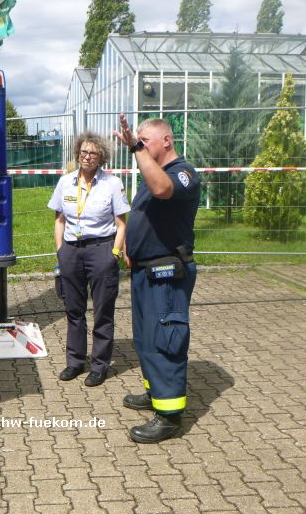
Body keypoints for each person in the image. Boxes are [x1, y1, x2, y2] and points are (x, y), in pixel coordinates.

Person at [114, 115, 200, 443]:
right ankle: (155, 395)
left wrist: (135, 148)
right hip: (144, 271)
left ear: (166, 141)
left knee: (166, 340)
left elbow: (163, 189)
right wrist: (132, 248)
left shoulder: (184, 172)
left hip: (167, 274)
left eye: (145, 140)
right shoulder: (155, 172)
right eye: (138, 140)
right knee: (146, 340)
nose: (139, 145)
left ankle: (169, 417)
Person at [48, 132, 129, 387]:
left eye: (93, 152)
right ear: (77, 153)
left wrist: (114, 254)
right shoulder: (65, 182)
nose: (87, 156)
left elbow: (121, 223)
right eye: (83, 151)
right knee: (74, 309)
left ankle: (99, 365)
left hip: (101, 250)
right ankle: (75, 362)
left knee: (103, 311)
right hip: (71, 251)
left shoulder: (112, 184)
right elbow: (59, 219)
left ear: (101, 157)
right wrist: (61, 250)